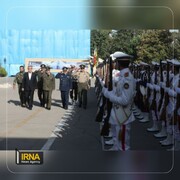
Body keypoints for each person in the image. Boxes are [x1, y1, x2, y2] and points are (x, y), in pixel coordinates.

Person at [101, 51, 136, 151]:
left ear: (119, 64)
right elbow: (117, 92)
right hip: (116, 112)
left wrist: (108, 95)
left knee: (123, 144)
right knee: (116, 138)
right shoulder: (120, 76)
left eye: (115, 62)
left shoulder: (127, 78)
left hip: (123, 115)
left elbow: (125, 100)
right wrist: (107, 91)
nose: (114, 64)